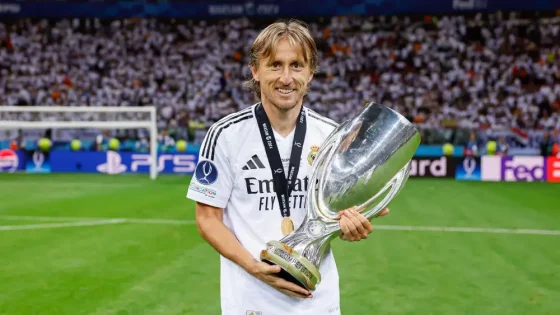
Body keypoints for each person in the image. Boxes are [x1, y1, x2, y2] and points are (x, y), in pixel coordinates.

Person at [186, 19, 389, 315]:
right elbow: (207, 219)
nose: (286, 77)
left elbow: (339, 217)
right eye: (275, 65)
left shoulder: (333, 137)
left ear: (311, 73)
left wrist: (350, 226)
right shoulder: (226, 135)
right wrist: (254, 267)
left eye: (296, 65)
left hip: (318, 302)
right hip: (250, 302)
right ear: (256, 70)